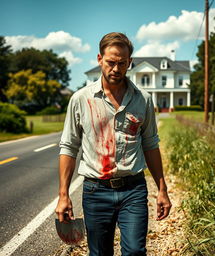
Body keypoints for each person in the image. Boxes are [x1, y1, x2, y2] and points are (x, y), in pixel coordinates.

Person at [55, 32, 172, 256]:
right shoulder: (81, 99)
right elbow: (69, 147)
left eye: (121, 63)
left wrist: (162, 190)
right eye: (110, 62)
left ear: (130, 63)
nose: (116, 69)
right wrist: (63, 195)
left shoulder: (143, 99)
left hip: (133, 190)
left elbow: (150, 144)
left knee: (135, 252)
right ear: (100, 59)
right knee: (99, 254)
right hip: (95, 191)